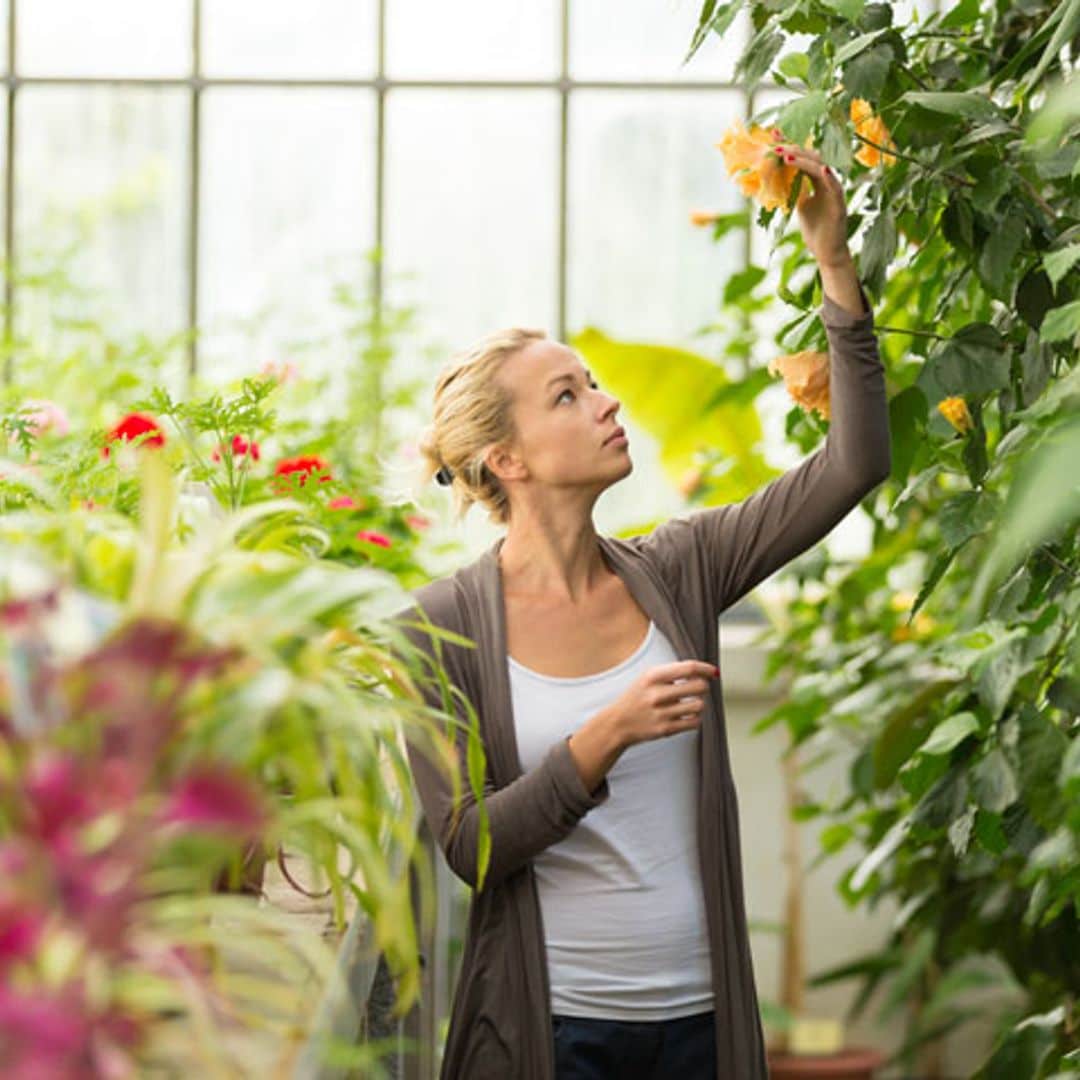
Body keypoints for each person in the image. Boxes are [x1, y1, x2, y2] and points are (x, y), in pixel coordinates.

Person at [387, 140, 891, 1080]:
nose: (609, 403)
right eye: (569, 396)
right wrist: (602, 737)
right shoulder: (439, 629)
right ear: (509, 460)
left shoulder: (683, 568)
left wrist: (834, 262)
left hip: (700, 1029)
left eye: (594, 384)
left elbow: (853, 465)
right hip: (554, 1035)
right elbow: (471, 846)